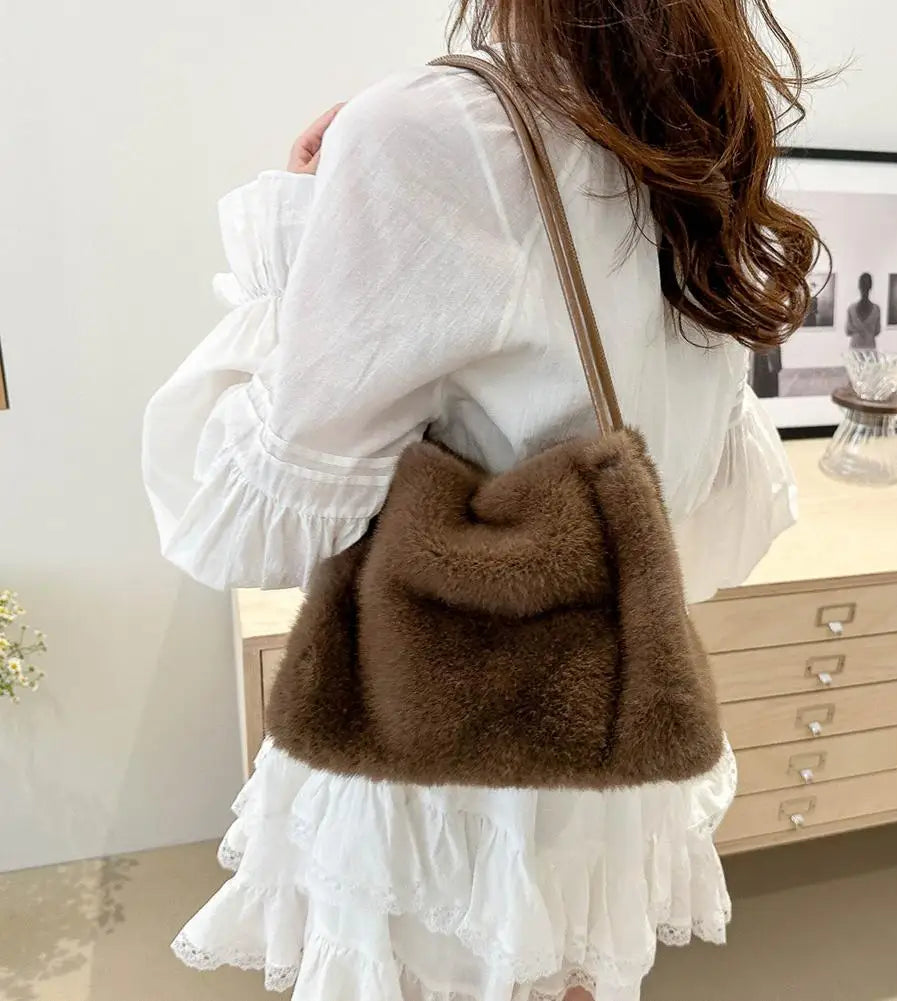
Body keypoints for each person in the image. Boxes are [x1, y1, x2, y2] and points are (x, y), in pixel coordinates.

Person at [142, 2, 819, 998]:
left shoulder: (430, 130)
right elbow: (717, 531)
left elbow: (236, 524)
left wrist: (291, 245)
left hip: (438, 765)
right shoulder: (696, 122)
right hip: (593, 747)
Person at [847, 272, 882, 348]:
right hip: (868, 348)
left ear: (859, 286)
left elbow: (848, 331)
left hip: (857, 349)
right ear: (871, 286)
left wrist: (858, 330)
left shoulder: (851, 308)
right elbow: (877, 331)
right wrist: (868, 331)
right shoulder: (876, 309)